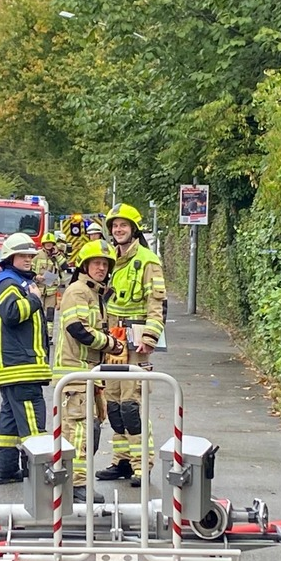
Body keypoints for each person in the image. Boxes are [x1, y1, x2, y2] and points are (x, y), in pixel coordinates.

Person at [96, 203, 167, 488]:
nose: (118, 230)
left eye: (123, 225)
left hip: (136, 342)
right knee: (113, 405)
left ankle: (141, 466)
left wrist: (150, 337)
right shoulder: (110, 259)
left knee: (132, 407)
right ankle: (122, 461)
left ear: (134, 229)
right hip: (113, 341)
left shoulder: (147, 261)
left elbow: (156, 303)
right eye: (115, 226)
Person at [54, 239, 126, 503]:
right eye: (96, 263)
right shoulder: (78, 291)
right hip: (75, 374)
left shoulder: (95, 293)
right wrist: (111, 344)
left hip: (89, 376)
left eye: (105, 264)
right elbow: (78, 329)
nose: (101, 268)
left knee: (89, 433)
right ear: (84, 265)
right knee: (78, 434)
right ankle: (75, 486)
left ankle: (74, 484)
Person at [0, 232, 52, 484]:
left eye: (30, 255)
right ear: (10, 257)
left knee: (10, 423)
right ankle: (40, 478)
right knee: (33, 424)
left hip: (15, 368)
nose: (28, 259)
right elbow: (12, 314)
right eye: (22, 256)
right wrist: (35, 299)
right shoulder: (9, 282)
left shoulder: (15, 280)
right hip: (22, 368)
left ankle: (6, 471)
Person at [32, 232, 64, 339]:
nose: (49, 245)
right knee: (37, 313)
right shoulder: (37, 255)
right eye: (47, 243)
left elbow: (65, 267)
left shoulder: (57, 256)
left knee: (50, 314)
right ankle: (37, 334)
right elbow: (29, 270)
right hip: (39, 290)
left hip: (51, 291)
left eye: (51, 243)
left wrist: (57, 255)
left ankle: (49, 336)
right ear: (43, 244)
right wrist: (36, 276)